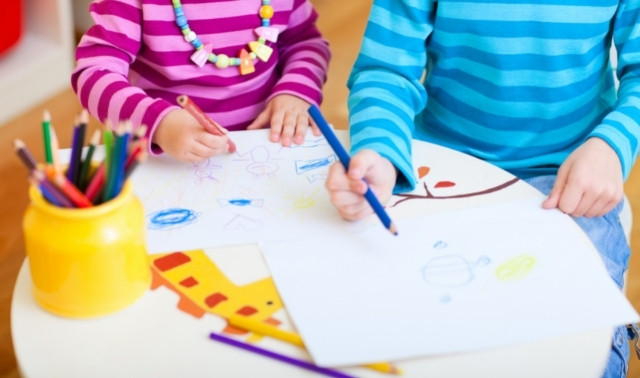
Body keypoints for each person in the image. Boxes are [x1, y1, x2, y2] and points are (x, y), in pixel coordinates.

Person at [324, 2, 640, 377]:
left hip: (565, 175)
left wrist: (612, 144)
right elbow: (386, 69)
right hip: (442, 165)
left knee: (577, 334)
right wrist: (379, 150)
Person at [72, 0, 330, 161]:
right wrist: (159, 123)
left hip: (266, 149)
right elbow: (93, 73)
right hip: (167, 157)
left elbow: (305, 43)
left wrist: (297, 90)